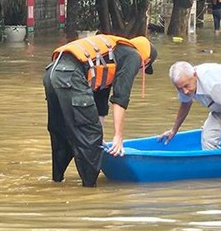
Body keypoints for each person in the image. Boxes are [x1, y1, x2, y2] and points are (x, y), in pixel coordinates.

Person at [43, 34, 157, 187]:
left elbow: (100, 101)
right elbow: (120, 98)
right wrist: (118, 137)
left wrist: (100, 136)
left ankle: (57, 183)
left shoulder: (112, 54)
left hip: (52, 72)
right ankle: (89, 191)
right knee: (90, 135)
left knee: (63, 132)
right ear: (146, 61)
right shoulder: (134, 56)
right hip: (70, 75)